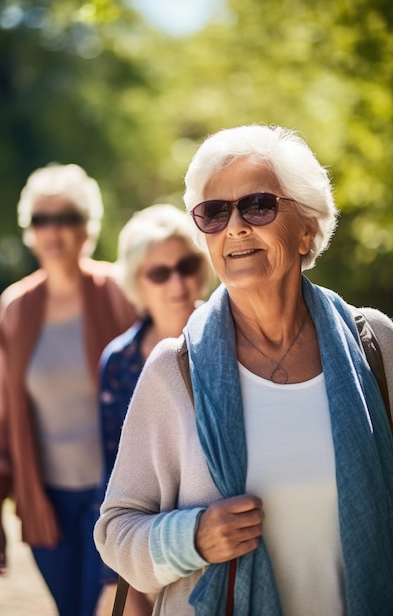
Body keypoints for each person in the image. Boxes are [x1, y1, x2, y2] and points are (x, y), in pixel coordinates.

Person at [94, 124, 393, 616]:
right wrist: (191, 538)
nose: (235, 228)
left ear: (307, 228)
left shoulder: (374, 346)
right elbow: (115, 531)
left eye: (258, 205)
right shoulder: (174, 371)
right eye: (214, 213)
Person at [0, 163, 138, 616]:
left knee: (105, 609)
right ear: (30, 232)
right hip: (45, 498)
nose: (54, 230)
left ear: (87, 228)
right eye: (42, 220)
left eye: (66, 217)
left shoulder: (119, 291)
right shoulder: (15, 308)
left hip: (114, 495)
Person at [94, 203, 216, 616]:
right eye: (159, 273)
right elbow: (113, 473)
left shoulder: (231, 342)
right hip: (141, 541)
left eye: (185, 265)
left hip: (215, 539)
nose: (177, 282)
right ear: (136, 284)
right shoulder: (120, 360)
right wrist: (118, 575)